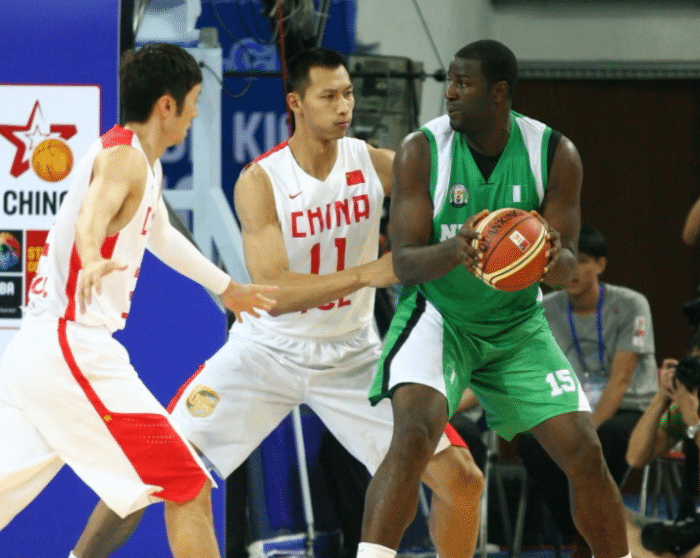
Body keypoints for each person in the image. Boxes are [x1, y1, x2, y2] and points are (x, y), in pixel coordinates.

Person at [70, 47, 484, 558]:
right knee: (162, 468)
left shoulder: (374, 162)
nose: (344, 106)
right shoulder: (261, 181)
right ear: (296, 103)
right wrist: (365, 274)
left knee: (463, 479)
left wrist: (493, 228)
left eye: (348, 94)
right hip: (266, 352)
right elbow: (274, 294)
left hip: (353, 357)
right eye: (328, 96)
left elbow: (456, 197)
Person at [358, 39, 631, 558]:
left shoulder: (554, 153)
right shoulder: (422, 150)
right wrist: (454, 250)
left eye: (464, 83)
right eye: (450, 81)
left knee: (584, 452)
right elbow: (404, 262)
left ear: (499, 92)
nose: (450, 93)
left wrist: (550, 261)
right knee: (414, 437)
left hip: (516, 325)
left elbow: (566, 262)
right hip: (440, 318)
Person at [0, 43, 277, 554]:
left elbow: (161, 235)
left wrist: (228, 289)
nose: (196, 113)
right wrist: (91, 254)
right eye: (194, 101)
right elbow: (92, 215)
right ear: (167, 105)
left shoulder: (142, 162)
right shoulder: (123, 159)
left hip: (38, 352)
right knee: (186, 484)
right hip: (71, 349)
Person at [518, 224, 657, 554]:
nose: (573, 270)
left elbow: (620, 380)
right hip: (574, 405)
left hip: (630, 407)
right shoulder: (545, 309)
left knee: (604, 439)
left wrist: (586, 432)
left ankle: (593, 536)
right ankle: (576, 535)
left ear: (601, 265)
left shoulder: (631, 304)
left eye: (581, 261)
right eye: (564, 262)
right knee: (531, 441)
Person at [625, 335, 700, 558]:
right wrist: (660, 398)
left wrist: (693, 421)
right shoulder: (685, 406)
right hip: (690, 527)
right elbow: (636, 457)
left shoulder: (689, 412)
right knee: (606, 512)